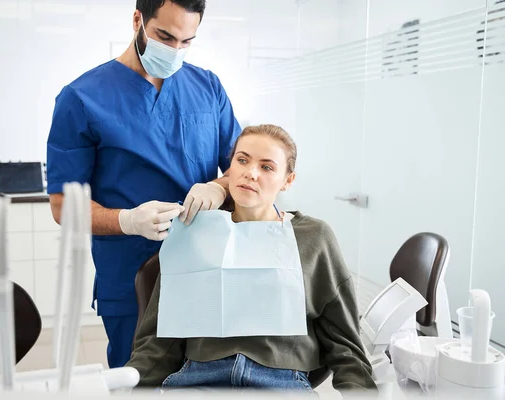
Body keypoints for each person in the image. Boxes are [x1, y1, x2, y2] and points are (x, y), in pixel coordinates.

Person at [45, 0, 241, 369]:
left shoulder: (207, 87)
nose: (175, 50)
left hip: (207, 269)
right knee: (138, 380)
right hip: (130, 280)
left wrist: (219, 186)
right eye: (165, 36)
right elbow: (62, 206)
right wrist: (127, 220)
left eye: (186, 41)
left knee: (207, 381)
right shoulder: (81, 98)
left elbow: (241, 169)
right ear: (137, 19)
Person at [126, 125, 377, 394]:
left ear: (288, 180)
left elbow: (345, 343)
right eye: (242, 160)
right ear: (229, 168)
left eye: (267, 167)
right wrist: (127, 389)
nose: (251, 173)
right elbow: (159, 341)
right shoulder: (192, 234)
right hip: (198, 381)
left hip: (281, 384)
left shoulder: (313, 238)